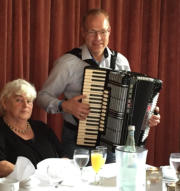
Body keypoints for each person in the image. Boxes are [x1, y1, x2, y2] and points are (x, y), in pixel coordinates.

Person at [36, 8, 160, 161]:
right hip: (76, 141)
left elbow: (131, 103)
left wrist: (146, 116)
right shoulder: (67, 63)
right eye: (92, 32)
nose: (98, 38)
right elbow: (42, 97)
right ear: (83, 32)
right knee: (77, 184)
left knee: (111, 184)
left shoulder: (120, 61)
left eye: (102, 31)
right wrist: (64, 105)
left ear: (109, 31)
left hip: (113, 143)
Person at [0, 79, 66, 178]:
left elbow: (63, 156)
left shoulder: (42, 128)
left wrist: (65, 168)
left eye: (29, 101)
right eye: (19, 100)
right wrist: (34, 176)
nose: (25, 105)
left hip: (51, 184)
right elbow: (1, 166)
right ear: (5, 103)